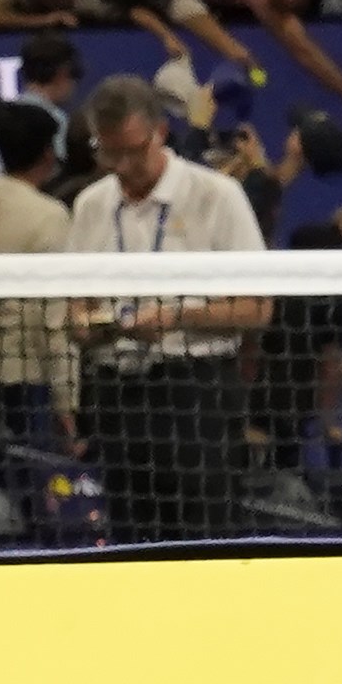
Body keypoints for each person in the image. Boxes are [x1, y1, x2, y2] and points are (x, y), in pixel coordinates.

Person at [63, 79, 267, 543]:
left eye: (133, 151)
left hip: (196, 395)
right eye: (108, 154)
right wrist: (90, 328)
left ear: (161, 132)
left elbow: (258, 308)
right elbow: (77, 310)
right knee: (130, 542)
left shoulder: (217, 196)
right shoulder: (91, 206)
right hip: (116, 397)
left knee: (205, 541)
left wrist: (175, 317)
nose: (122, 166)